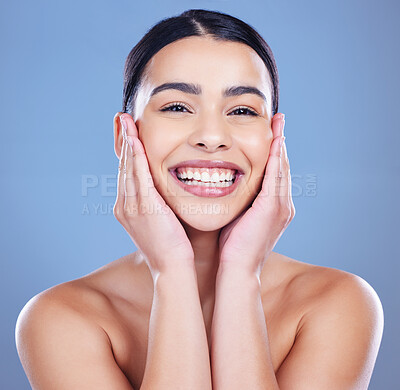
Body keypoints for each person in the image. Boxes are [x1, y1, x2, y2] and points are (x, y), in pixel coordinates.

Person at [15, 9, 384, 390]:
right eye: (177, 107)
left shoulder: (338, 304)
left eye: (242, 110)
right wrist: (171, 271)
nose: (211, 136)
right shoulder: (61, 318)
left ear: (275, 136)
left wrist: (241, 272)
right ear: (124, 136)